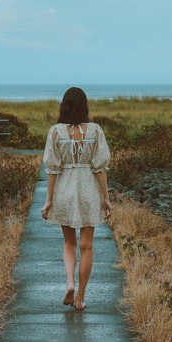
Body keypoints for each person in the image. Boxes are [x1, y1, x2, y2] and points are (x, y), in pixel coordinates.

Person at [40, 87, 112, 311]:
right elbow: (100, 168)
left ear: (64, 106)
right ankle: (80, 297)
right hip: (88, 190)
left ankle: (70, 282)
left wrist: (49, 200)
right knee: (86, 246)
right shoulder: (96, 131)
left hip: (65, 189)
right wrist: (106, 199)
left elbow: (52, 169)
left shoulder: (56, 132)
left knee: (69, 242)